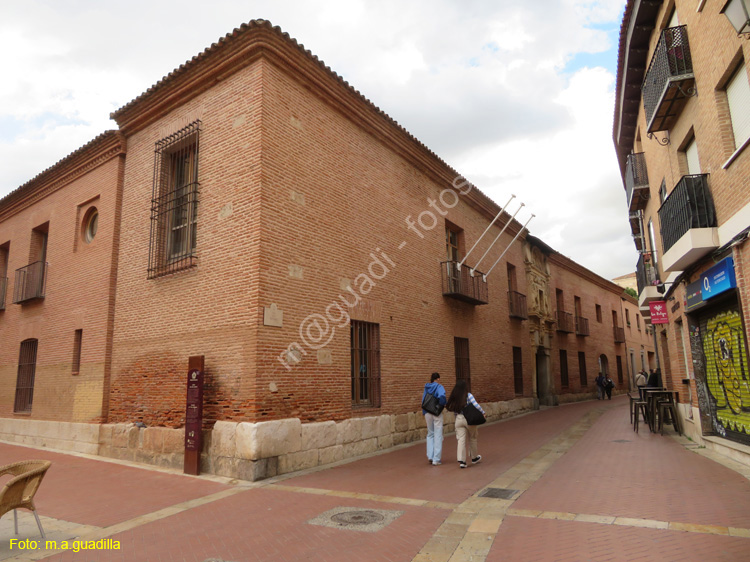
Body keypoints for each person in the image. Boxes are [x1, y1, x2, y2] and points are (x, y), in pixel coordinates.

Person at [446, 379, 484, 469]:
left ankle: (462, 461)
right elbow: (476, 405)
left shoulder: (455, 397)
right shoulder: (468, 395)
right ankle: (474, 457)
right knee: (473, 437)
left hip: (458, 419)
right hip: (469, 419)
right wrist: (483, 412)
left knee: (461, 440)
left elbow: (450, 408)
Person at [422, 372, 446, 466]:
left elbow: (423, 399)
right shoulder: (439, 387)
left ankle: (430, 456)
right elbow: (442, 396)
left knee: (430, 433)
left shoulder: (426, 387)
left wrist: (424, 412)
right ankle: (436, 459)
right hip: (436, 412)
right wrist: (441, 405)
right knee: (438, 434)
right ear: (438, 379)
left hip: (427, 412)